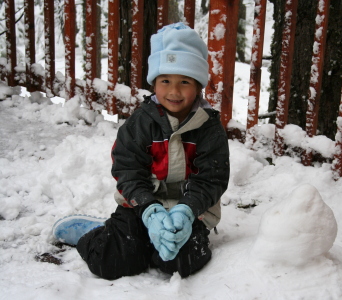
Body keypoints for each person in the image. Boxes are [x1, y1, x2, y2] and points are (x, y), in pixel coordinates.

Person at [52, 22, 230, 280]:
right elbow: (127, 170)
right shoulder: (140, 123)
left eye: (185, 82)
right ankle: (97, 233)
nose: (174, 91)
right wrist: (149, 209)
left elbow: (212, 178)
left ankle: (146, 240)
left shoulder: (209, 128)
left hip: (192, 210)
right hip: (142, 205)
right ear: (154, 82)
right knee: (111, 261)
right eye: (165, 80)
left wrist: (187, 210)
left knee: (180, 262)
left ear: (198, 85)